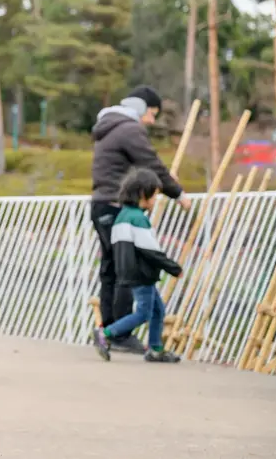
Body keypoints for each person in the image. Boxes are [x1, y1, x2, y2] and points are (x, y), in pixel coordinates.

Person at [90, 85, 192, 354]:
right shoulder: (129, 129)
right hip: (116, 205)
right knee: (126, 269)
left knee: (110, 269)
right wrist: (177, 193)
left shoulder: (108, 126)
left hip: (101, 204)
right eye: (152, 113)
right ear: (140, 108)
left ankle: (108, 331)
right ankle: (119, 334)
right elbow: (151, 164)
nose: (152, 121)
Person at [92, 168, 183, 363]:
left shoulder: (123, 215)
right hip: (142, 272)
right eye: (154, 196)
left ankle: (155, 347)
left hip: (129, 271)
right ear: (143, 194)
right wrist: (173, 268)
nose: (155, 201)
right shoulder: (138, 219)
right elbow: (150, 250)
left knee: (157, 310)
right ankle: (106, 333)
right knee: (144, 312)